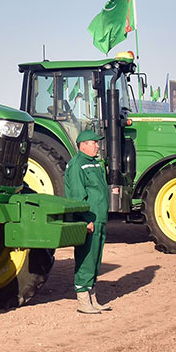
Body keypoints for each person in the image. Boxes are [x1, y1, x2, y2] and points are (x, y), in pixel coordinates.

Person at [64, 129, 110, 314]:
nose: (97, 146)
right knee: (87, 257)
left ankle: (93, 297)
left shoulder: (95, 163)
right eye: (94, 143)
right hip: (90, 219)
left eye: (97, 143)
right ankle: (83, 300)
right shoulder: (77, 165)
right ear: (83, 145)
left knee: (96, 258)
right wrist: (85, 219)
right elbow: (77, 195)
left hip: (100, 217)